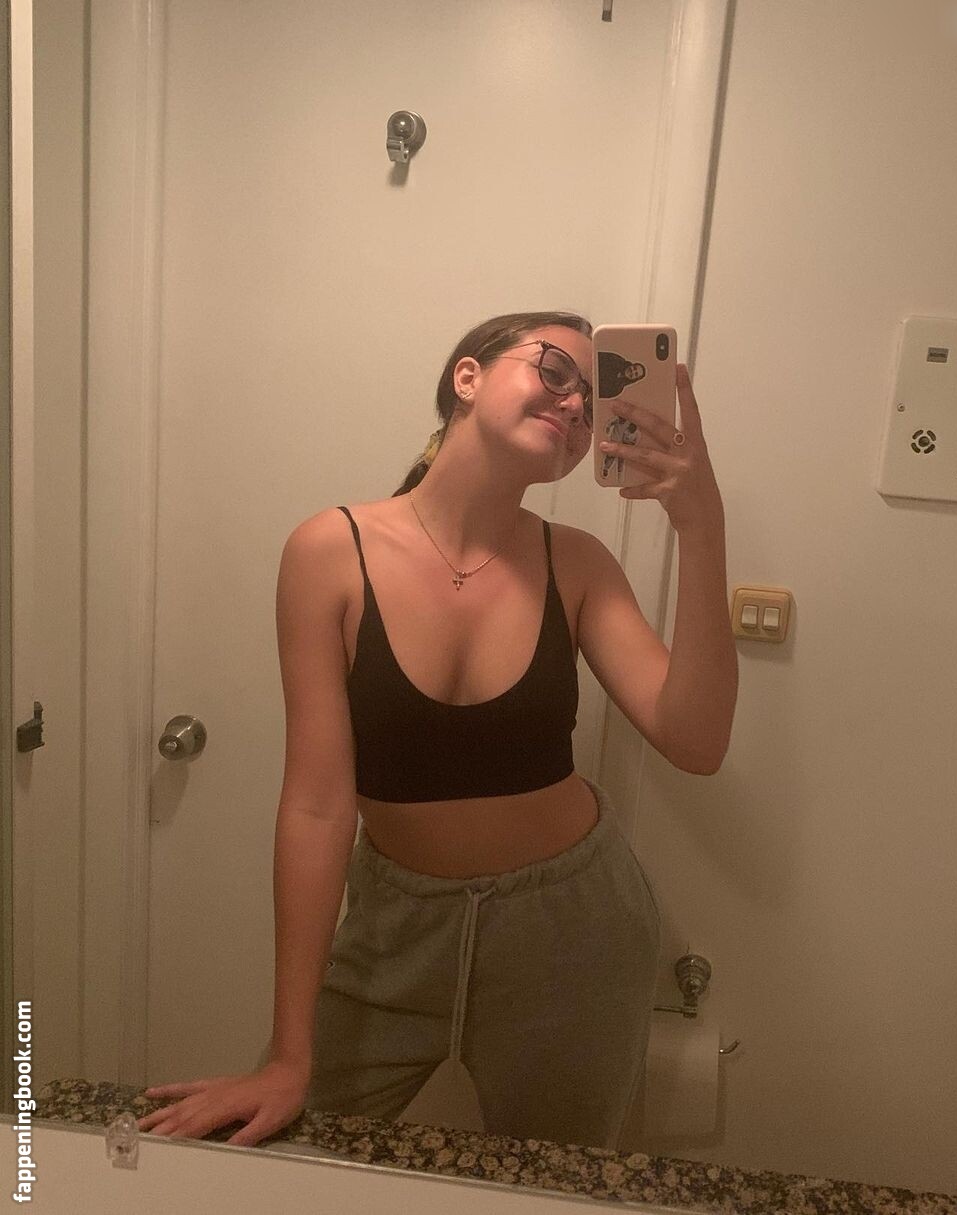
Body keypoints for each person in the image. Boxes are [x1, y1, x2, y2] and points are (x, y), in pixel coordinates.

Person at [136, 311, 738, 1149]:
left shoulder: (576, 563)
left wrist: (701, 525)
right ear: (467, 377)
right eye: (555, 371)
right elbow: (316, 806)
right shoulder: (329, 552)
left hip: (573, 931)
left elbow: (696, 741)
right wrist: (288, 1052)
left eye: (594, 399)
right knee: (295, 1147)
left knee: (549, 1185)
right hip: (395, 925)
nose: (575, 405)